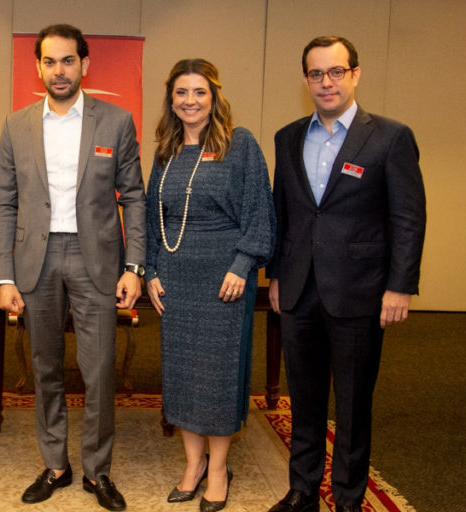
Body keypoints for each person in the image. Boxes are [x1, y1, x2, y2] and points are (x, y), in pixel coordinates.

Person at [266, 36, 426, 512]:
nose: (326, 82)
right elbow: (284, 213)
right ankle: (302, 489)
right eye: (316, 73)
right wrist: (275, 275)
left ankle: (350, 498)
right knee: (304, 395)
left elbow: (408, 218)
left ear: (355, 74)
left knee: (354, 402)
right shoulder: (288, 136)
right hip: (297, 288)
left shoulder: (391, 137)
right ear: (306, 80)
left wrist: (400, 285)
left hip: (360, 290)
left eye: (336, 71)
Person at [0, 23, 146, 512]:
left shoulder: (116, 122)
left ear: (85, 65)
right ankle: (55, 464)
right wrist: (3, 275)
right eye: (49, 62)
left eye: (67, 61)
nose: (59, 71)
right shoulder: (16, 125)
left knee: (98, 369)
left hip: (96, 258)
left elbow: (135, 198)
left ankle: (97, 471)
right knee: (44, 366)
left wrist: (134, 266)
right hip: (33, 261)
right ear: (37, 67)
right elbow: (6, 202)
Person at [145, 59, 275, 512]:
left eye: (199, 92)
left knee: (219, 377)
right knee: (181, 374)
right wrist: (152, 271)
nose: (190, 101)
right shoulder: (167, 149)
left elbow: (261, 211)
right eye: (181, 92)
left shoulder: (240, 145)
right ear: (171, 99)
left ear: (214, 96)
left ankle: (218, 469)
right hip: (176, 279)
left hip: (225, 282)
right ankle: (192, 465)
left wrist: (242, 265)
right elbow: (151, 217)